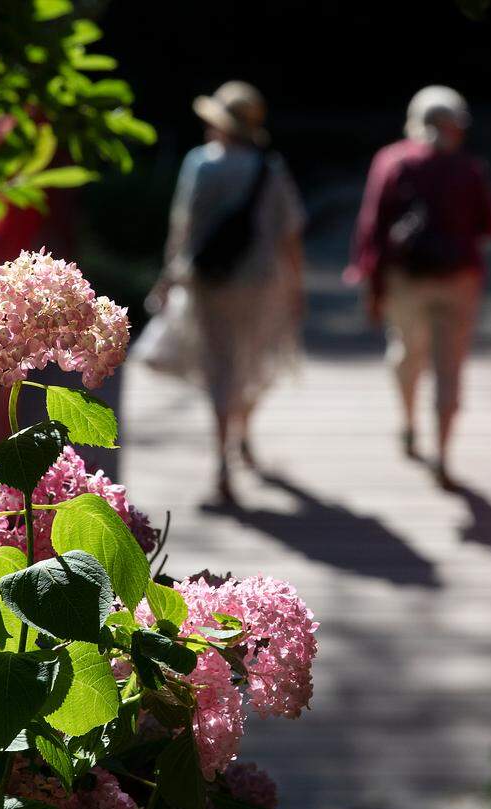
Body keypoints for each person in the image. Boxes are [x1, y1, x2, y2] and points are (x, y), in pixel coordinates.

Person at [134, 81, 306, 505]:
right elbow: (290, 233)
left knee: (220, 366)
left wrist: (169, 275)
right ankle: (241, 434)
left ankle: (223, 457)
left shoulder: (201, 165)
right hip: (263, 282)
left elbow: (182, 228)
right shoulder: (271, 168)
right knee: (255, 361)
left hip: (209, 281)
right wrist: (297, 285)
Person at [344, 85, 491, 490]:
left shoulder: (392, 162)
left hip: (406, 281)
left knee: (407, 353)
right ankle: (443, 455)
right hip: (460, 280)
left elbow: (371, 228)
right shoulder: (469, 169)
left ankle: (409, 423)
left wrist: (370, 285)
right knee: (450, 369)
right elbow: (489, 226)